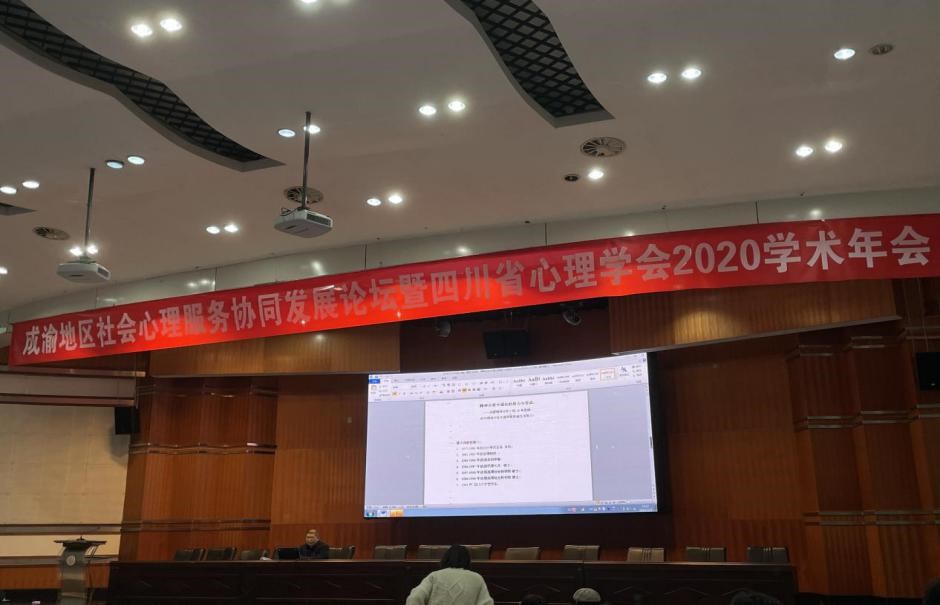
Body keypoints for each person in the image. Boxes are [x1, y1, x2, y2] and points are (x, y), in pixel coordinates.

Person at [405, 544, 493, 605]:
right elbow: (487, 603)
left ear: (445, 559)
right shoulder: (476, 578)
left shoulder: (435, 576)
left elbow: (414, 598)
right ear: (468, 560)